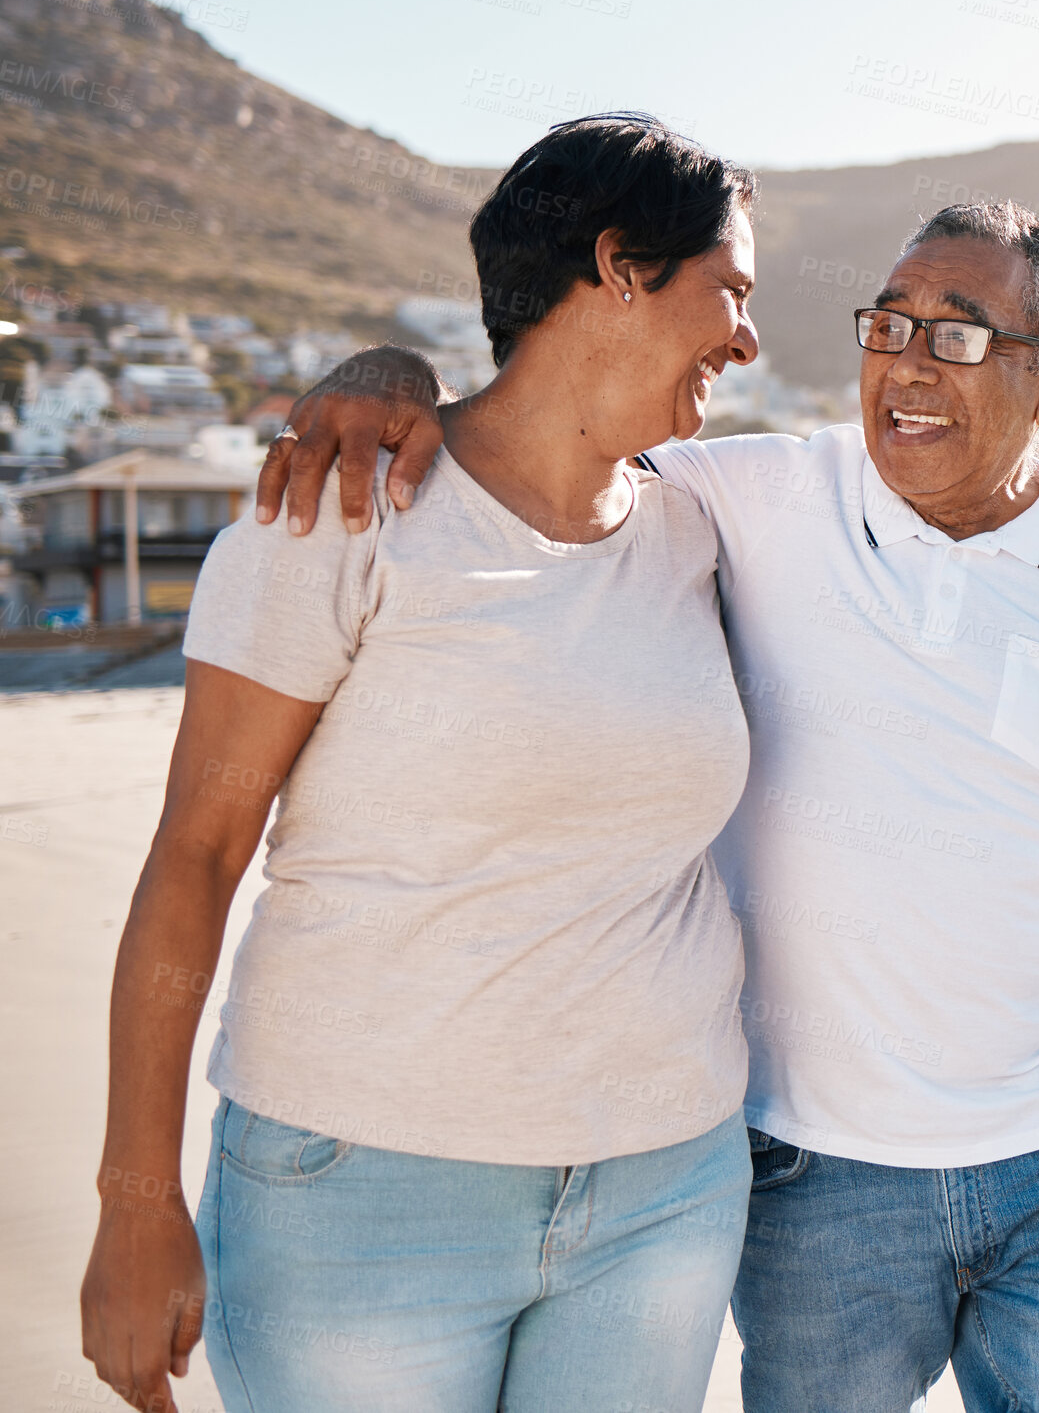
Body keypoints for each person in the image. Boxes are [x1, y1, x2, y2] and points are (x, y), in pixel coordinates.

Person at [267, 197, 1039, 1411]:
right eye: (888, 325)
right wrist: (382, 371)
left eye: (958, 335)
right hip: (809, 1178)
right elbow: (536, 431)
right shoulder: (750, 494)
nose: (905, 365)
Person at [79, 114, 765, 1413]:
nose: (744, 337)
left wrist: (376, 360)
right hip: (362, 1194)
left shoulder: (706, 526)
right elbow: (197, 854)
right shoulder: (336, 514)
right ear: (618, 265)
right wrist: (134, 1198)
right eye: (728, 292)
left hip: (664, 1194)